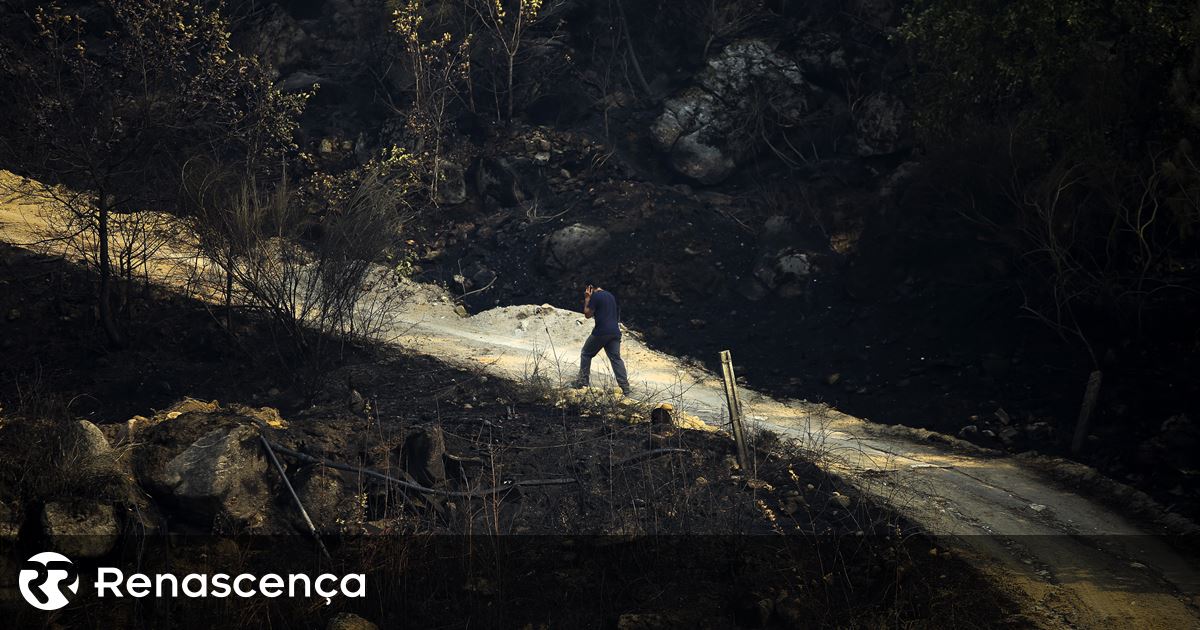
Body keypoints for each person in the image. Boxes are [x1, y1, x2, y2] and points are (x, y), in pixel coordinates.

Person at [572, 283, 631, 395]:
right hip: (615, 332)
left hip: (601, 331)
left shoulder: (595, 296)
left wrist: (587, 298)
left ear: (590, 288)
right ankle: (625, 388)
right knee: (616, 358)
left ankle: (582, 383)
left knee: (586, 353)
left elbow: (587, 314)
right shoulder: (610, 296)